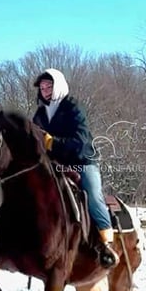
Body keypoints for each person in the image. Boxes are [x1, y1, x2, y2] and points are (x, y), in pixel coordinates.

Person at [32, 68, 119, 268]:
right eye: (43, 87)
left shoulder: (72, 107)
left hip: (81, 162)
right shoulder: (39, 113)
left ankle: (107, 243)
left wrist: (52, 143)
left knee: (93, 194)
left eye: (49, 85)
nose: (45, 90)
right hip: (54, 166)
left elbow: (80, 141)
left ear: (59, 85)